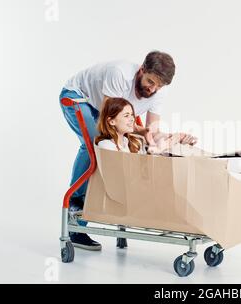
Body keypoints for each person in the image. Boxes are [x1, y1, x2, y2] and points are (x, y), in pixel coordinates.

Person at [59, 51, 196, 251]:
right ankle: (75, 212)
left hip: (110, 109)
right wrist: (140, 131)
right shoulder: (120, 75)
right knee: (97, 149)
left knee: (124, 147)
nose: (153, 89)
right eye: (150, 81)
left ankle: (111, 212)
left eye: (158, 86)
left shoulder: (159, 91)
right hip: (79, 97)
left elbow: (151, 132)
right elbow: (109, 121)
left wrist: (173, 138)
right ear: (141, 70)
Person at [96, 98, 241, 195]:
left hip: (163, 173)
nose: (132, 119)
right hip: (147, 185)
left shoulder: (133, 141)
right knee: (215, 170)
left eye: (133, 115)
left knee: (217, 165)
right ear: (111, 121)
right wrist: (166, 144)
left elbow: (151, 155)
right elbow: (134, 169)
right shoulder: (106, 145)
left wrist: (173, 140)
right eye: (126, 115)